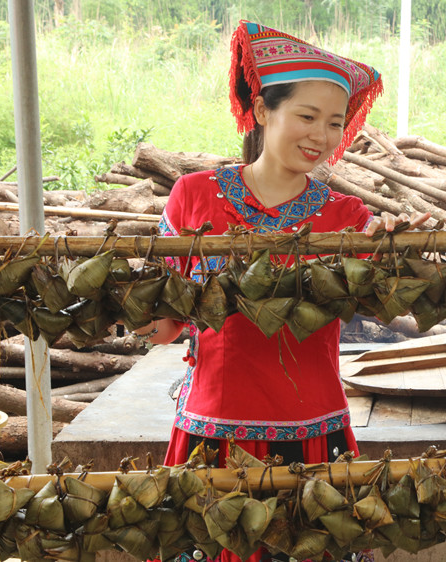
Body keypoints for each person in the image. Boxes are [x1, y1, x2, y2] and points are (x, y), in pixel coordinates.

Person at [132, 21, 427, 562]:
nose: (321, 135)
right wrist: (122, 298)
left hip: (314, 433)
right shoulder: (193, 196)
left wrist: (398, 254)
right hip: (212, 432)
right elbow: (164, 330)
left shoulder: (347, 216)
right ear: (264, 111)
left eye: (335, 123)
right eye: (307, 116)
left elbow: (387, 302)